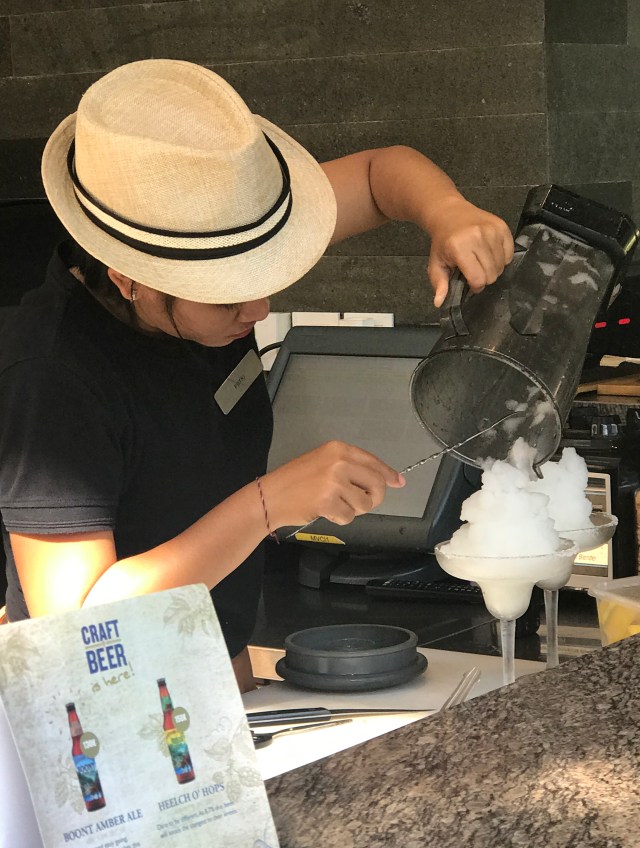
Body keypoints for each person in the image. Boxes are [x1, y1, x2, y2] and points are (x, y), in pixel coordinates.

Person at [0, 59, 514, 692]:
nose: (258, 309)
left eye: (265, 275)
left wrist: (446, 211)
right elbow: (76, 627)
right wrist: (266, 506)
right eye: (226, 296)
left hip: (223, 680)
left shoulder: (216, 234)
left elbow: (380, 175)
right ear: (130, 278)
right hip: (111, 714)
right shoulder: (52, 379)